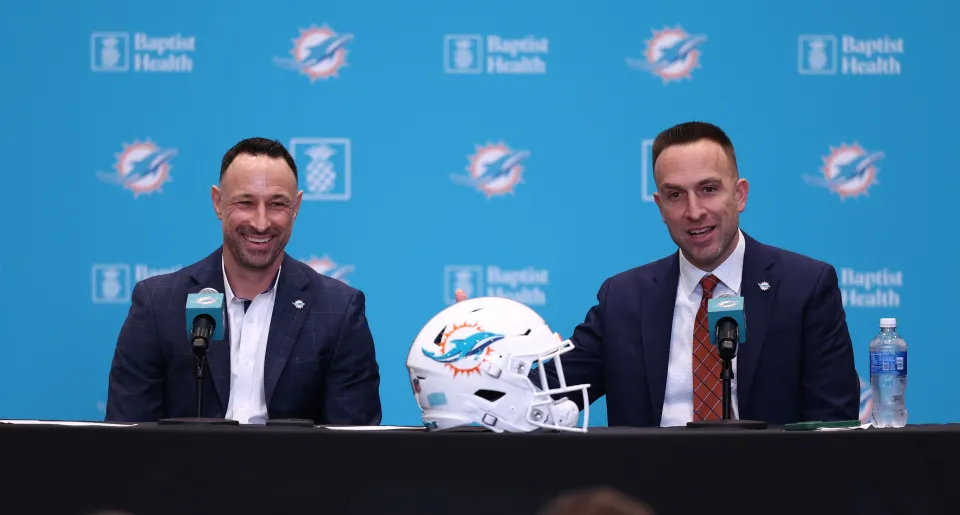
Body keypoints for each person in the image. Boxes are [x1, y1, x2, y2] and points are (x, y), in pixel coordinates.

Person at [455, 121, 859, 427]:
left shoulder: (804, 287)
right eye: (675, 195)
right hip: (646, 492)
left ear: (739, 195)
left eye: (709, 189)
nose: (694, 211)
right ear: (659, 206)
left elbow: (833, 424)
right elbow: (546, 391)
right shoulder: (624, 298)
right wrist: (481, 353)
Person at [105, 137, 381, 425]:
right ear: (218, 203)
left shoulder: (338, 310)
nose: (261, 223)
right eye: (245, 203)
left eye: (277, 204)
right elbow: (128, 436)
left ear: (296, 206)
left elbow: (352, 443)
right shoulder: (158, 303)